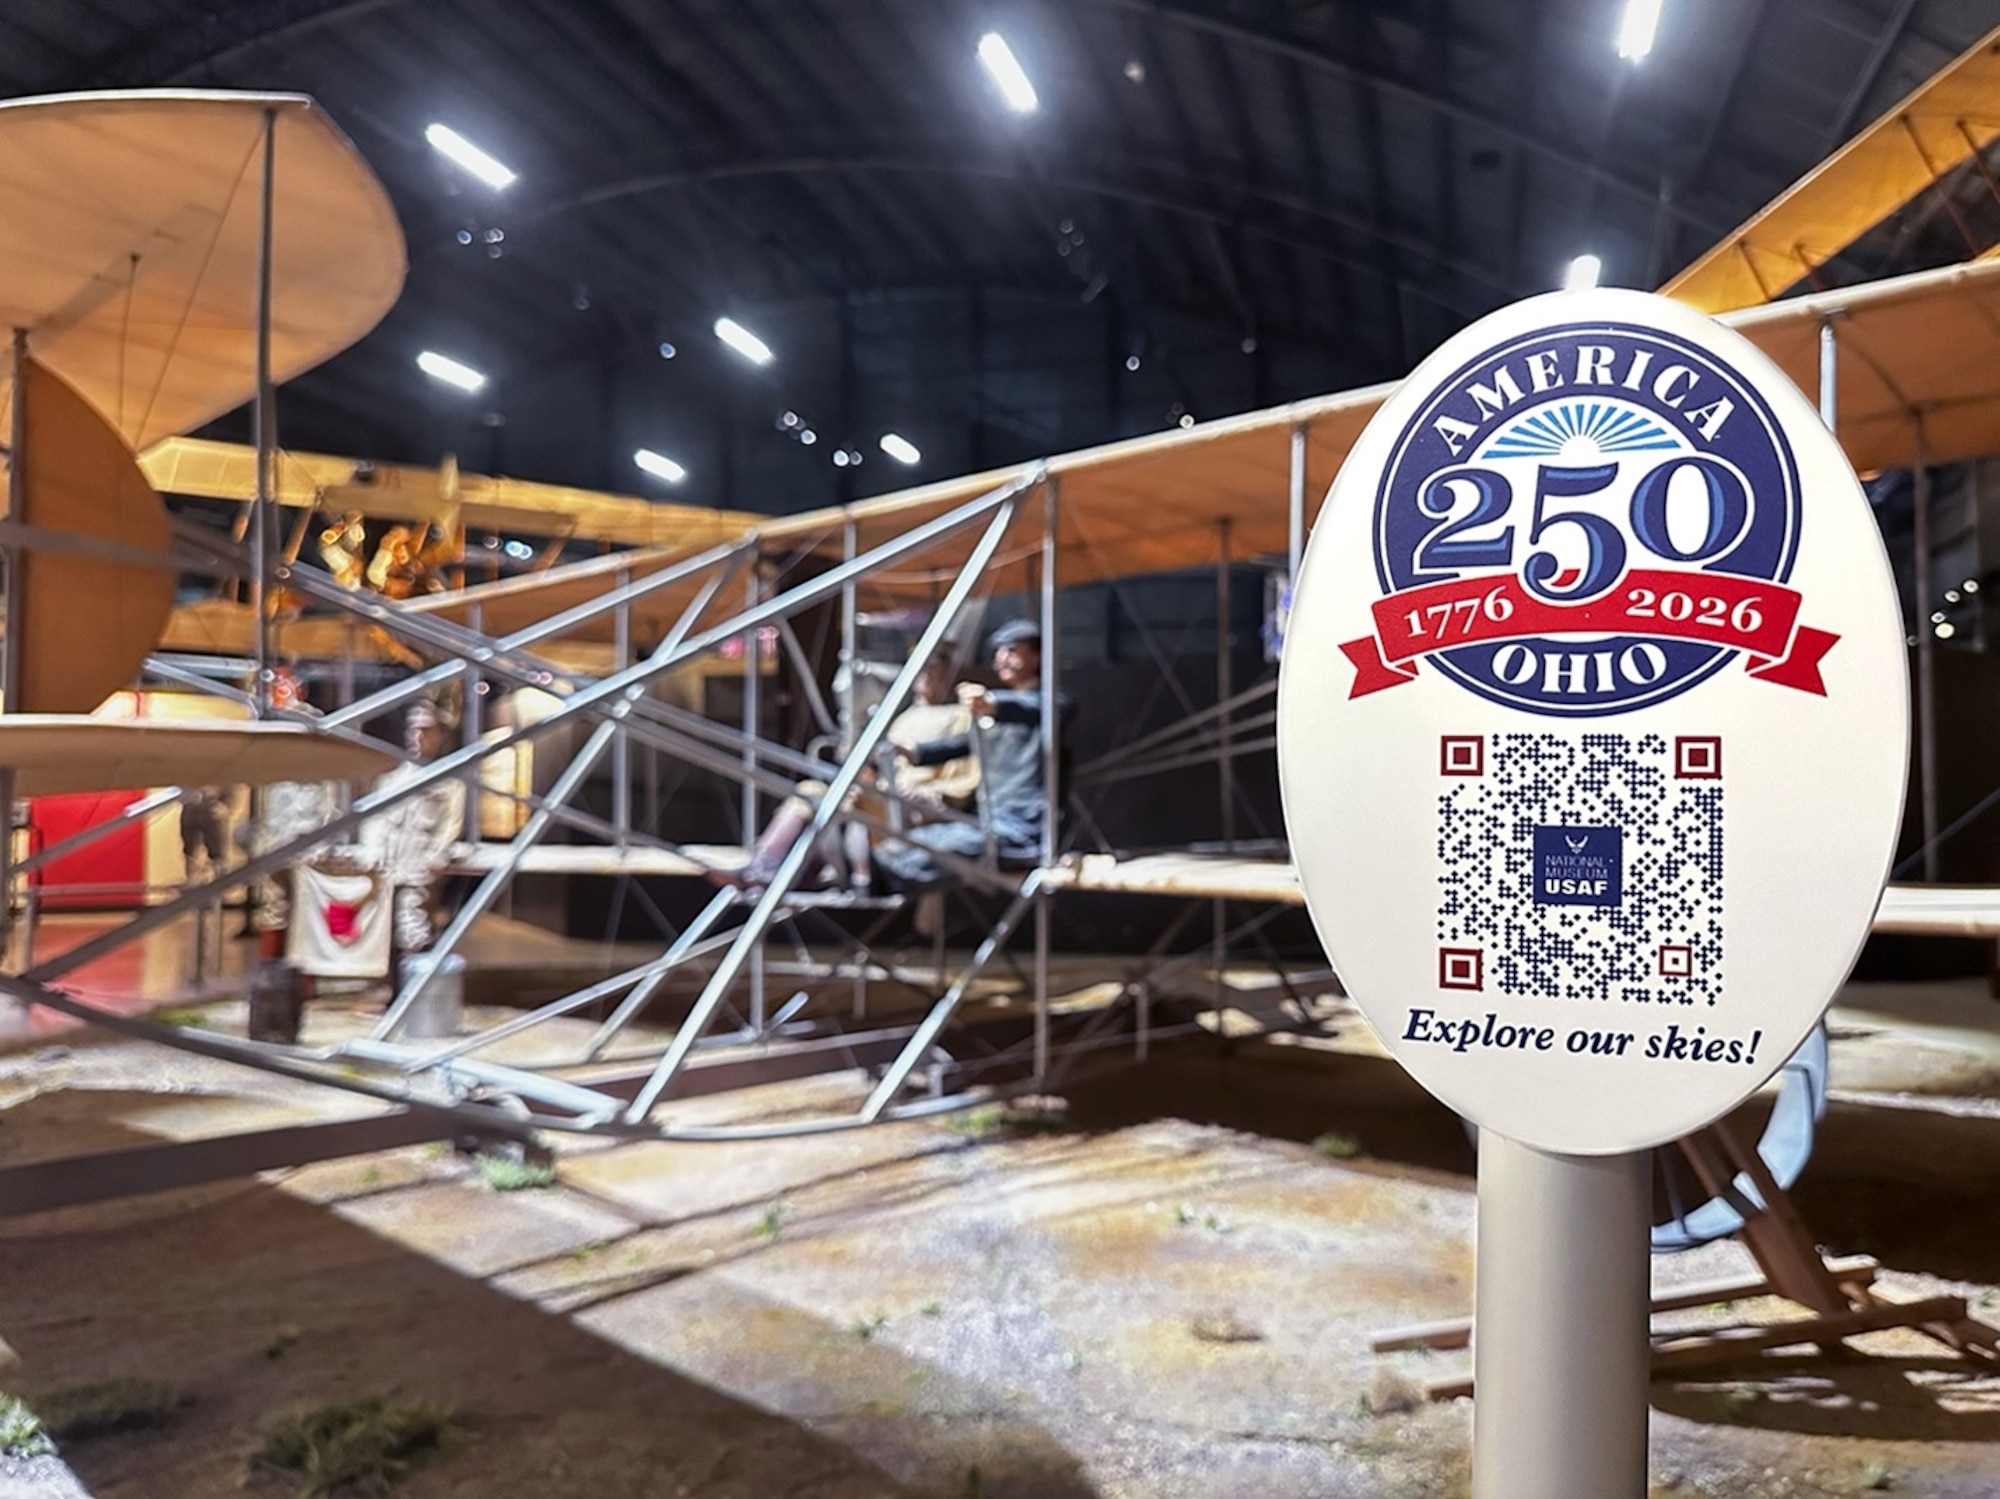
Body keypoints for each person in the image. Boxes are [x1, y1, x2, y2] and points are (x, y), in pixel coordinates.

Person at [731, 656, 978, 889]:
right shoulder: (905, 718)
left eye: (935, 672)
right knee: (813, 791)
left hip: (918, 807)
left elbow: (964, 781)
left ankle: (843, 871)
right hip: (887, 795)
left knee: (844, 800)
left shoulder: (961, 717)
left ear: (948, 676)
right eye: (923, 671)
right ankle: (766, 861)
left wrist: (927, 793)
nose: (927, 677)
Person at [873, 618, 1068, 892]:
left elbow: (1041, 708)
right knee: (904, 847)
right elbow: (964, 743)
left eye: (1012, 650)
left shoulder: (1049, 704)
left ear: (1036, 657)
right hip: (985, 822)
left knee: (921, 856)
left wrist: (993, 703)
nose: (1002, 658)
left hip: (1023, 829)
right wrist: (913, 752)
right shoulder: (1000, 712)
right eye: (999, 651)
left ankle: (877, 881)